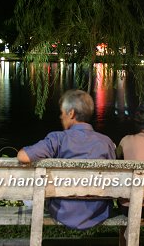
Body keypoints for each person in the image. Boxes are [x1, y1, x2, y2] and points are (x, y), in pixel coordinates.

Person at [17, 89, 116, 230]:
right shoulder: (106, 142)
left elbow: (23, 156)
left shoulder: (57, 139)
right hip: (97, 212)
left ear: (71, 113)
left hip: (62, 211)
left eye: (62, 112)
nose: (60, 116)